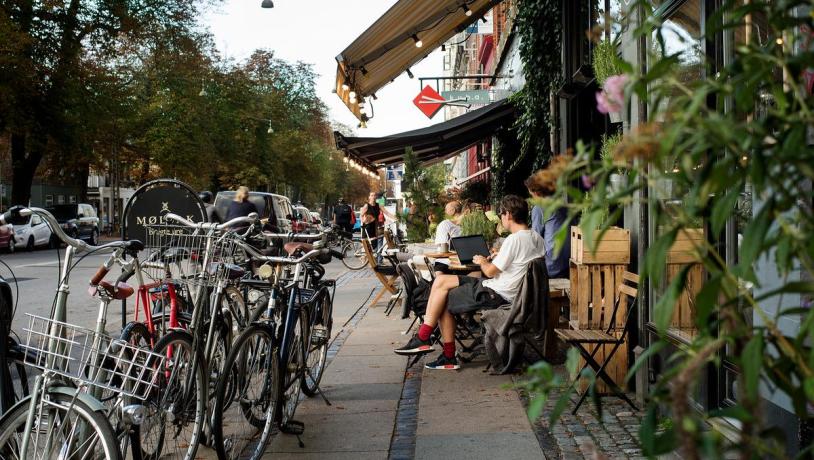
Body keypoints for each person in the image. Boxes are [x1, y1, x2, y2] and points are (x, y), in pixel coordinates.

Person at [394, 195, 545, 370]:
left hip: (496, 294)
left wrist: (482, 261)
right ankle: (429, 342)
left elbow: (488, 271)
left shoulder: (514, 239)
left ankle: (436, 347)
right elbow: (518, 263)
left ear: (509, 215)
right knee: (442, 284)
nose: (501, 219)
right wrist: (498, 255)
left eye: (501, 214)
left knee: (442, 295)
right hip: (513, 294)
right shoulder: (535, 238)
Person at [524, 157, 571, 279]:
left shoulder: (540, 207)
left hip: (550, 267)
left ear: (537, 193)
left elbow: (534, 241)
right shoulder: (563, 205)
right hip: (569, 265)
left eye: (531, 195)